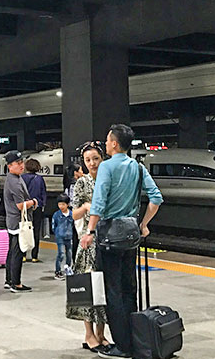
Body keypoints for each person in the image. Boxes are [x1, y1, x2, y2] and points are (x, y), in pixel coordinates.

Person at [80, 124, 163, 359]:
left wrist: (90, 231)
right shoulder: (137, 167)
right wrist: (143, 224)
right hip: (131, 235)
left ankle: (122, 346)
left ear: (114, 144)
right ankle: (135, 340)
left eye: (107, 141)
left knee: (113, 292)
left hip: (109, 236)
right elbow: (156, 198)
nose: (106, 144)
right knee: (130, 288)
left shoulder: (107, 166)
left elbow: (99, 201)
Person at [66, 141, 110, 353]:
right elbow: (72, 214)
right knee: (88, 288)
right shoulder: (81, 184)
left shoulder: (108, 178)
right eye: (88, 160)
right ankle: (89, 334)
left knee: (104, 288)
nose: (92, 163)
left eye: (95, 159)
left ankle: (102, 333)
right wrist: (85, 207)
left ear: (102, 158)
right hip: (87, 242)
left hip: (107, 239)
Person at [2, 150, 37, 293]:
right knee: (17, 252)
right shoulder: (14, 182)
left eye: (21, 162)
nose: (21, 165)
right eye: (18, 163)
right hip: (18, 222)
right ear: (10, 166)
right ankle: (16, 283)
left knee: (12, 252)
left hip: (12, 221)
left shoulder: (14, 178)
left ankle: (9, 279)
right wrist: (33, 202)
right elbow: (20, 205)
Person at [21, 158, 47, 263]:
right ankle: (34, 256)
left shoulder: (22, 178)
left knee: (24, 229)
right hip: (37, 207)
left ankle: (23, 255)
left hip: (25, 207)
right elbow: (43, 193)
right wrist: (43, 205)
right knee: (36, 231)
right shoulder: (39, 179)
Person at [51, 193, 73, 280]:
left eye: (63, 204)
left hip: (69, 236)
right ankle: (58, 271)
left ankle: (68, 269)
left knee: (69, 254)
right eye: (59, 204)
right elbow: (53, 226)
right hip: (60, 237)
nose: (61, 206)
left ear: (67, 204)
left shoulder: (71, 214)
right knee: (61, 254)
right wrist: (57, 233)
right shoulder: (56, 215)